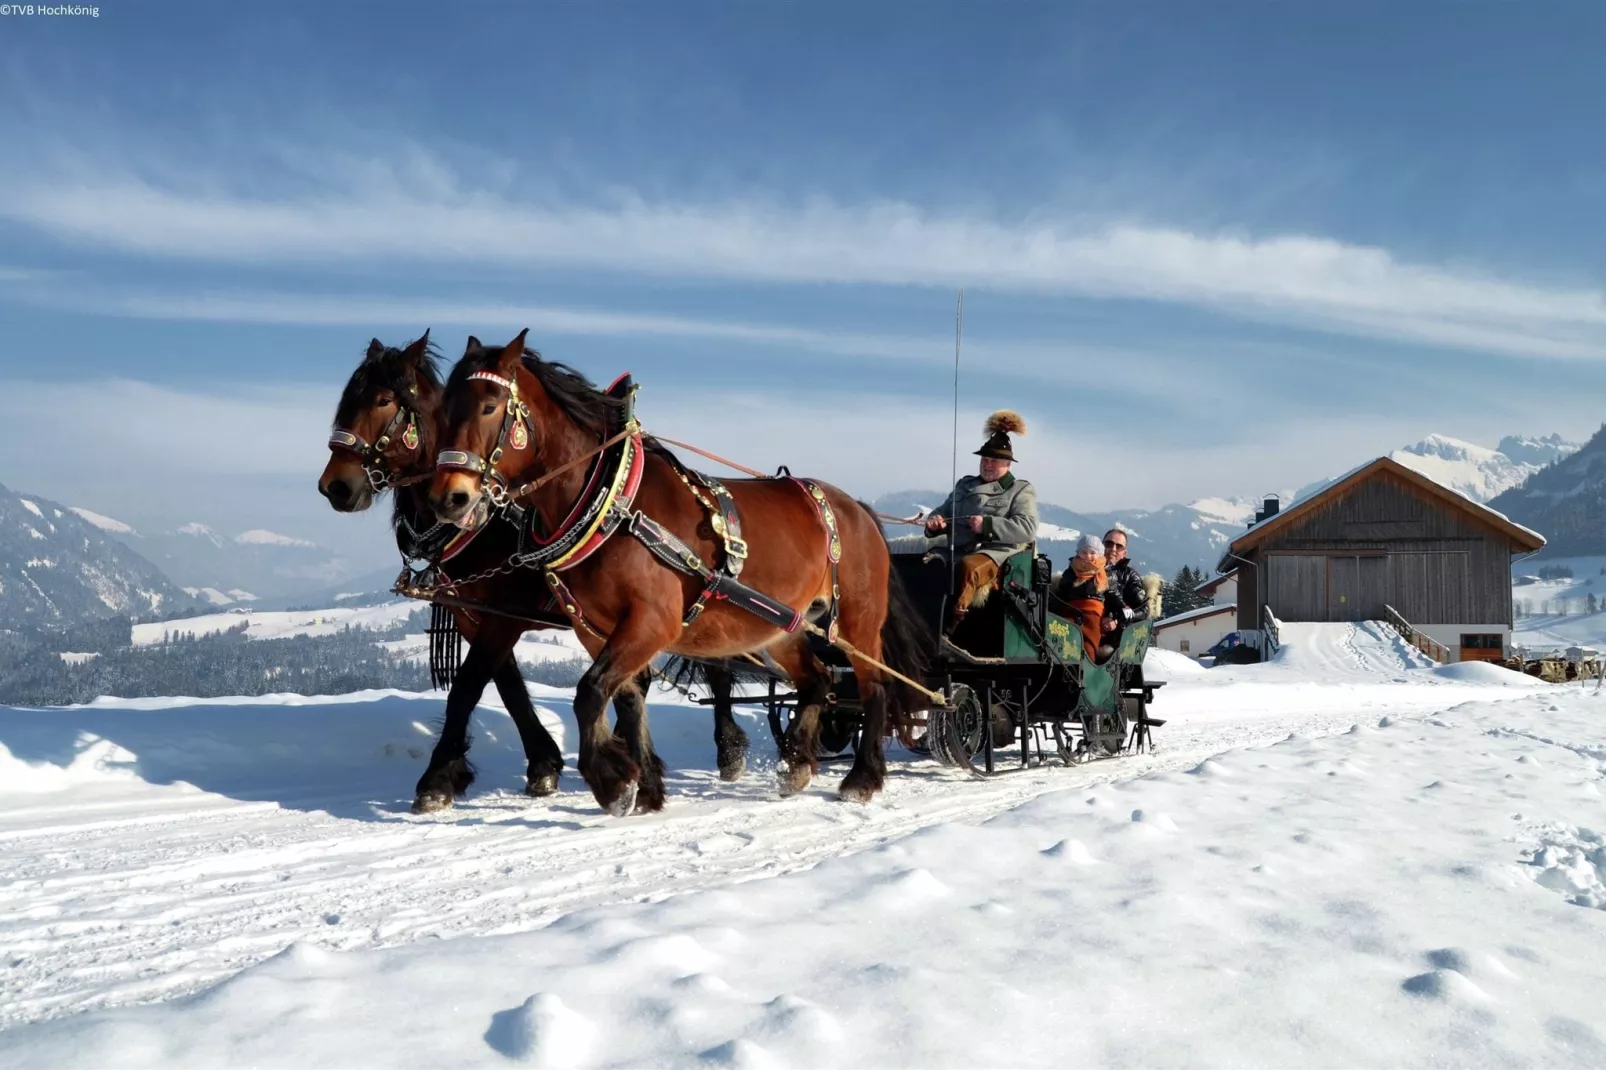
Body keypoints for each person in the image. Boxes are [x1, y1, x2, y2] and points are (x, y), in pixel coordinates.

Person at [922, 410, 1039, 631]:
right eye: (985, 459)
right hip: (957, 549)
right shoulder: (965, 485)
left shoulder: (1020, 490)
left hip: (997, 555)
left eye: (994, 461)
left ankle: (951, 627)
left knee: (971, 567)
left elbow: (1027, 529)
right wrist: (935, 522)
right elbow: (944, 510)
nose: (987, 464)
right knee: (926, 564)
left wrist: (986, 526)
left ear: (1008, 464)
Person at [1051, 533, 1117, 661]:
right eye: (1084, 552)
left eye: (1092, 553)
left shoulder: (1106, 574)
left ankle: (1088, 661)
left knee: (1090, 638)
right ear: (1078, 553)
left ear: (1099, 554)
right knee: (1064, 631)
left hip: (1094, 612)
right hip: (1072, 609)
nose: (1088, 556)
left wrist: (1115, 616)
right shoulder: (1071, 571)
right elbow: (1063, 593)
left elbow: (1113, 596)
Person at [1100, 527, 1150, 642]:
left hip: (1115, 637)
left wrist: (1117, 621)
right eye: (1109, 544)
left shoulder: (1130, 576)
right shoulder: (1085, 569)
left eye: (1119, 546)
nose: (1113, 549)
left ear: (1124, 553)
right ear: (1101, 546)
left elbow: (1143, 611)